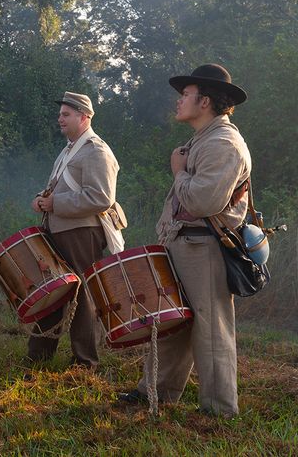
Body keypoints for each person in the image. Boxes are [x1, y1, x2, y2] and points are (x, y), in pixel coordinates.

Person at [118, 64, 251, 417]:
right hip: (185, 242)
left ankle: (219, 409)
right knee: (173, 321)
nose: (179, 101)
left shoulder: (223, 143)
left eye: (185, 95)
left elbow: (203, 201)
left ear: (204, 101)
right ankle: (157, 392)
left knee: (211, 329)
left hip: (204, 246)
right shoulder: (203, 139)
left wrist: (178, 172)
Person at [28, 92, 122, 368]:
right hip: (60, 230)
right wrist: (41, 198)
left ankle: (85, 361)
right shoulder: (69, 150)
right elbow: (60, 188)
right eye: (60, 114)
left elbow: (101, 197)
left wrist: (55, 203)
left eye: (66, 114)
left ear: (85, 117)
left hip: (82, 232)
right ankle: (39, 355)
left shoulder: (96, 150)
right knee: (52, 291)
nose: (60, 119)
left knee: (83, 297)